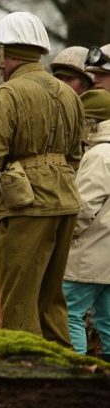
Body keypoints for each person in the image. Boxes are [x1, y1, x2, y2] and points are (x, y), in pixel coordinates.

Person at [0, 11, 84, 346]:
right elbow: (75, 154)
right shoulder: (68, 95)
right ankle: (60, 367)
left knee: (20, 298)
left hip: (26, 206)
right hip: (65, 202)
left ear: (7, 53)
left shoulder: (9, 94)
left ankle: (24, 367)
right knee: (51, 298)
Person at [61, 89, 110, 359]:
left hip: (88, 256)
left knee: (70, 314)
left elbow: (84, 207)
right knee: (107, 320)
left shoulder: (98, 155)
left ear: (93, 123)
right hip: (108, 260)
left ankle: (75, 372)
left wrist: (67, 236)